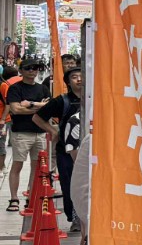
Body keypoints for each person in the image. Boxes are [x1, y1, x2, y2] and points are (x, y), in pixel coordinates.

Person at [33, 66, 84, 226]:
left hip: (90, 151)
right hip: (66, 151)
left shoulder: (95, 99)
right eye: (74, 77)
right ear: (68, 82)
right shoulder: (62, 100)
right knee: (69, 185)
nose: (79, 79)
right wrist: (52, 130)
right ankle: (74, 218)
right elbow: (37, 117)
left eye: (82, 76)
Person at [5, 57, 50, 211]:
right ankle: (14, 198)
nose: (32, 71)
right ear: (21, 70)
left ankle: (31, 196)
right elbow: (15, 109)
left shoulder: (43, 88)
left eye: (35, 68)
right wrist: (40, 107)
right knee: (17, 164)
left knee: (36, 167)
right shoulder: (15, 88)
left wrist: (30, 104)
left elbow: (48, 108)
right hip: (21, 133)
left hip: (40, 133)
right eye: (28, 68)